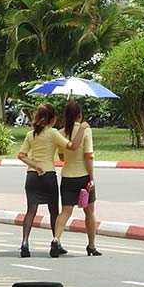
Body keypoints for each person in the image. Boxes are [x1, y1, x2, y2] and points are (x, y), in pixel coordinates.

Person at [17, 104, 77, 257]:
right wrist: (80, 130)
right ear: (53, 119)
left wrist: (35, 165)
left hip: (31, 176)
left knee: (31, 211)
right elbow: (70, 146)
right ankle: (56, 241)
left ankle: (24, 242)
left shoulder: (31, 135)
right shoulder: (53, 133)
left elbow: (21, 155)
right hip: (48, 176)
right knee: (53, 211)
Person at [52, 100, 101, 256]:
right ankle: (91, 245)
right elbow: (88, 157)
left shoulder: (60, 133)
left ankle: (56, 239)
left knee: (65, 211)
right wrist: (91, 178)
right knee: (89, 212)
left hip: (67, 176)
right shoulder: (86, 130)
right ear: (80, 115)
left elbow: (61, 157)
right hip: (83, 177)